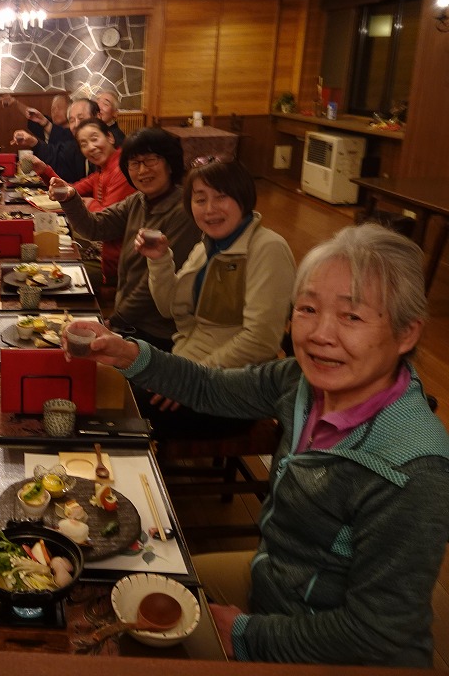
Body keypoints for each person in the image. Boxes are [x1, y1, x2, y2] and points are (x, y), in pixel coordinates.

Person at [64, 223, 449, 668]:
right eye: (308, 309)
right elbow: (210, 387)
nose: (320, 334)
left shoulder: (411, 471)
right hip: (275, 582)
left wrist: (246, 633)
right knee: (115, 585)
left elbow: (377, 634)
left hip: (340, 653)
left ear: (407, 333)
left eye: (352, 316)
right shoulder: (300, 382)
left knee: (119, 646)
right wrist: (129, 354)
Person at [133, 155, 296, 437]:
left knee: (129, 407)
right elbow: (168, 308)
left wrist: (190, 378)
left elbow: (261, 340)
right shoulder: (208, 245)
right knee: (117, 375)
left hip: (233, 389)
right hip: (188, 363)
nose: (210, 209)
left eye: (221, 197)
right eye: (200, 199)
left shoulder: (268, 248)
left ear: (243, 198)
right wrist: (159, 260)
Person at [49, 126, 200, 350]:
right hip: (131, 322)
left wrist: (116, 320)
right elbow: (95, 227)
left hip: (158, 332)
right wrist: (70, 198)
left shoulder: (183, 212)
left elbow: (150, 284)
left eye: (150, 160)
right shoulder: (138, 201)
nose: (142, 170)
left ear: (170, 163)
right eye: (134, 163)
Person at [27, 118, 135, 286]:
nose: (91, 147)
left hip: (116, 264)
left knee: (46, 273)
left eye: (94, 139)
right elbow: (72, 189)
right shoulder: (103, 169)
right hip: (99, 248)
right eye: (84, 144)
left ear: (110, 137)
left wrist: (90, 203)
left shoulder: (122, 169)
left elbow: (105, 221)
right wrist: (45, 171)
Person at [11, 98, 97, 183]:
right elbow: (56, 156)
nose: (76, 124)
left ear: (97, 117)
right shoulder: (74, 145)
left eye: (81, 118)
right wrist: (33, 142)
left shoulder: (99, 152)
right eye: (72, 120)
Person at [1, 93, 70, 145]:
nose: (55, 111)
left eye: (59, 108)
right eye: (53, 108)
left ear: (70, 110)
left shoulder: (73, 133)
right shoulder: (48, 123)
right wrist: (15, 102)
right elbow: (31, 115)